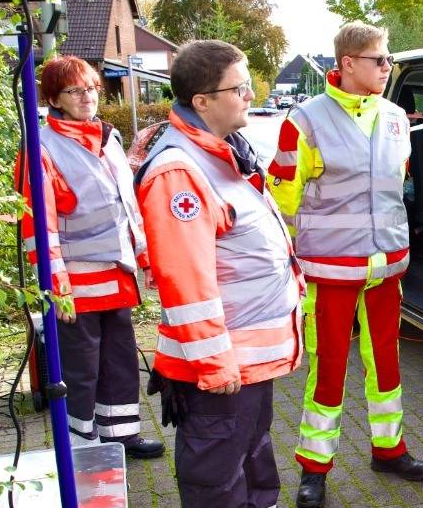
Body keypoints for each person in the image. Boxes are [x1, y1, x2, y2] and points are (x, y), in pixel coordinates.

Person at [267, 22, 423, 508]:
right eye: (379, 59)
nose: (387, 67)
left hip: (387, 267)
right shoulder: (305, 121)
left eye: (388, 59)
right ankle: (315, 467)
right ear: (346, 63)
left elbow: (395, 188)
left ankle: (390, 449)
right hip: (330, 269)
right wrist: (287, 263)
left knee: (386, 363)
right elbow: (282, 198)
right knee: (329, 366)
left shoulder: (396, 118)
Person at [136, 40, 303, 506]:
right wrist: (213, 362)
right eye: (239, 87)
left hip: (245, 362)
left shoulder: (222, 155)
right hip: (222, 366)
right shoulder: (179, 172)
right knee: (217, 480)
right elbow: (185, 282)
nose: (251, 95)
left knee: (253, 463)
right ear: (202, 101)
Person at [15, 55, 163, 460]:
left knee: (119, 360)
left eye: (92, 88)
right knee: (82, 369)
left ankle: (122, 436)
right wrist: (55, 284)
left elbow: (127, 206)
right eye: (75, 91)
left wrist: (145, 257)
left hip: (116, 275)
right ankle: (83, 447)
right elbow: (37, 224)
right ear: (54, 99)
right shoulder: (41, 148)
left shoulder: (107, 138)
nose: (87, 97)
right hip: (76, 282)